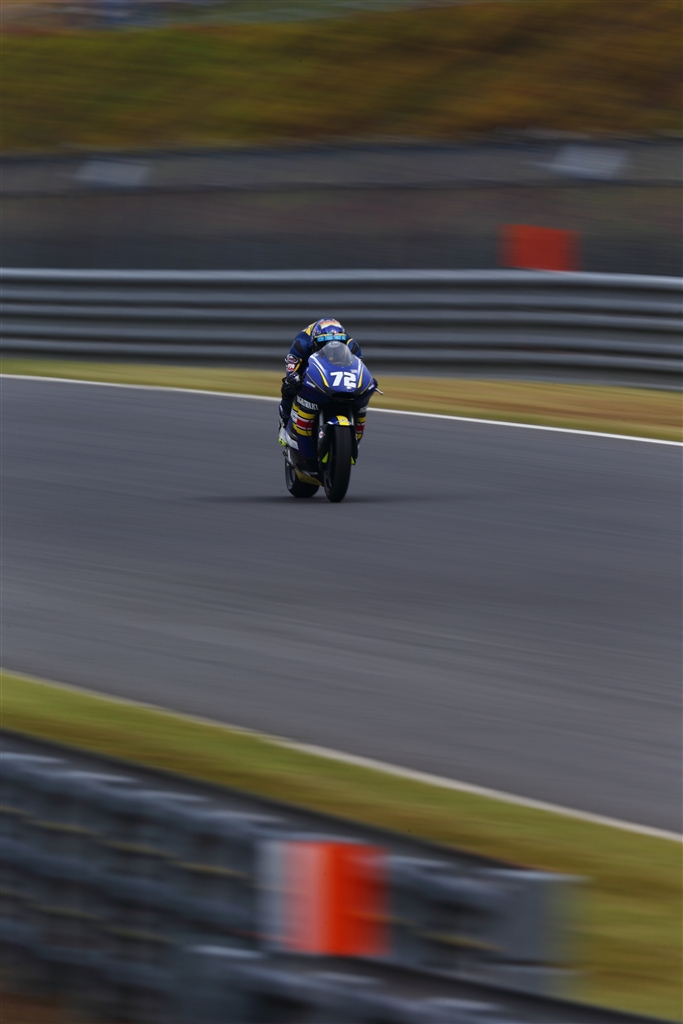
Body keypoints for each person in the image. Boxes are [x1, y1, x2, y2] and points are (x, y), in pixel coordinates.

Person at [278, 318, 370, 448]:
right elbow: (291, 371)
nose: (331, 350)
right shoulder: (301, 343)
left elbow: (358, 368)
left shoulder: (352, 345)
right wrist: (294, 377)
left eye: (337, 344)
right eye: (323, 345)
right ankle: (283, 422)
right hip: (308, 364)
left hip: (337, 368)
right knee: (289, 386)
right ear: (315, 343)